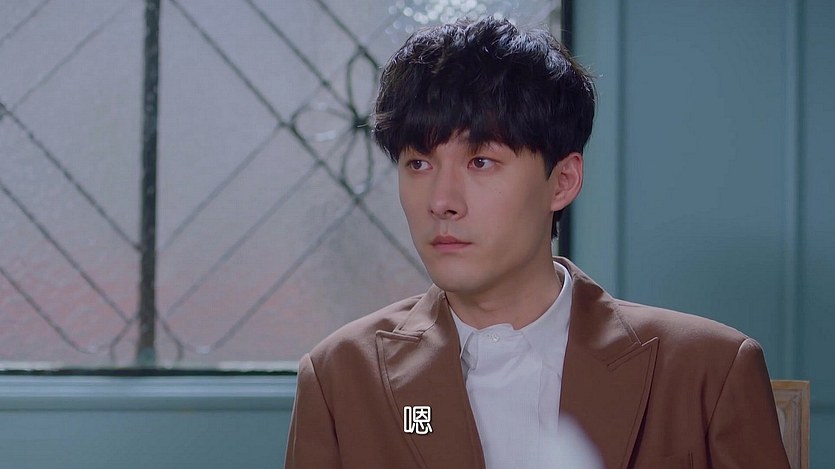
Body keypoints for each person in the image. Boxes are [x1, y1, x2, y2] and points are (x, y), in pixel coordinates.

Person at [285, 17, 790, 469]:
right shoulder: (342, 377)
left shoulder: (708, 370)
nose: (441, 201)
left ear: (563, 181)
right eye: (418, 163)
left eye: (481, 162)